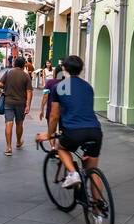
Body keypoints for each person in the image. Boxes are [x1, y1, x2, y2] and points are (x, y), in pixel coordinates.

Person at [36, 55, 102, 192]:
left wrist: (49, 134)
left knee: (61, 148)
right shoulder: (88, 87)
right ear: (81, 69)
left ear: (64, 69)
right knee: (93, 170)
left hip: (73, 131)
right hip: (95, 131)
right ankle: (98, 209)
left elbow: (54, 116)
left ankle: (72, 174)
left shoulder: (59, 87)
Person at [0, 56, 33, 156]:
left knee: (9, 123)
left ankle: (8, 147)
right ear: (23, 65)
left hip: (8, 102)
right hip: (21, 103)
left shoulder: (8, 72)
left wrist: (5, 87)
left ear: (14, 63)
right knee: (19, 123)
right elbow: (29, 91)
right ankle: (18, 142)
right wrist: (28, 105)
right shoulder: (26, 76)